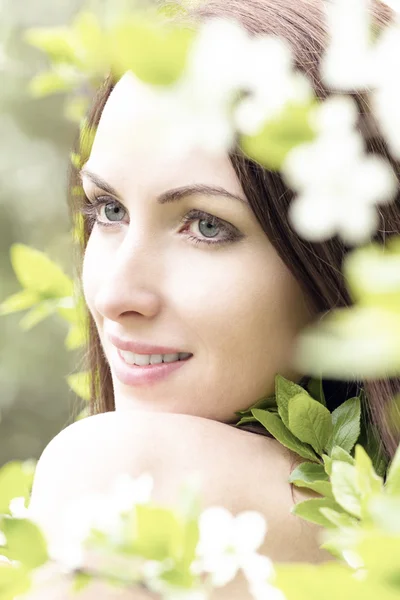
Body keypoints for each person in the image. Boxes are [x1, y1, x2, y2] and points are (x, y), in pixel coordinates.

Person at [27, 0, 400, 598]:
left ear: (344, 263)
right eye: (110, 210)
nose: (118, 294)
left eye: (205, 225)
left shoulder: (123, 476)